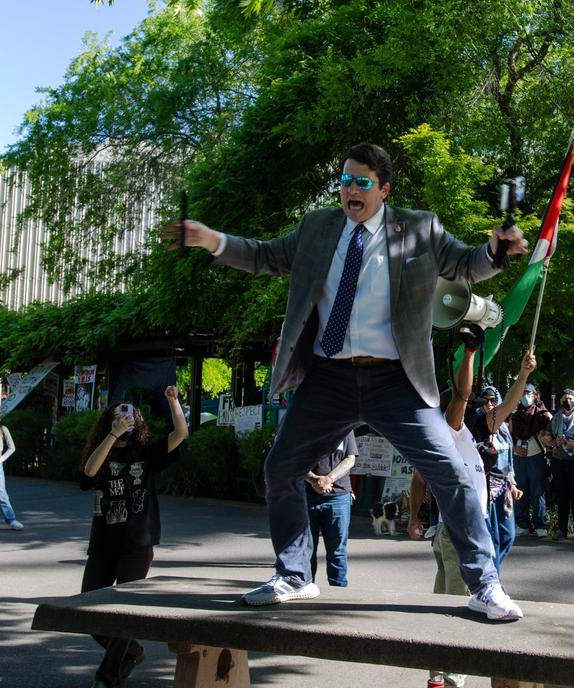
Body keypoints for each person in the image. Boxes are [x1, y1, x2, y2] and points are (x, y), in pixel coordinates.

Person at [166, 143, 528, 619]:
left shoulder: (419, 228)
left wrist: (497, 250)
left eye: (361, 182)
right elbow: (261, 256)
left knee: (452, 473)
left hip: (397, 380)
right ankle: (294, 575)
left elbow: (466, 265)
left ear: (384, 189)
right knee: (280, 468)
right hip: (328, 378)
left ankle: (484, 584)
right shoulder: (318, 228)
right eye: (344, 180)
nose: (349, 190)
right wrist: (209, 238)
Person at [406, 329, 499, 688]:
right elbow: (461, 395)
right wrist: (470, 354)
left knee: (440, 609)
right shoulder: (451, 429)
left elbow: (416, 478)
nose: (473, 404)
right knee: (462, 612)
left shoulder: (434, 439)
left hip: (447, 533)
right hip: (461, 535)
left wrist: (414, 515)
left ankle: (434, 687)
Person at [77, 387, 188, 688]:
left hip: (137, 543)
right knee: (87, 610)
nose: (125, 419)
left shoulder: (148, 453)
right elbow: (89, 473)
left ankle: (104, 679)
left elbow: (181, 433)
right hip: (103, 543)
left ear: (138, 421)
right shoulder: (102, 449)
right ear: (109, 421)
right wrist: (111, 437)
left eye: (129, 415)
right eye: (118, 415)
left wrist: (172, 401)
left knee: (124, 612)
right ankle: (132, 651)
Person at [468, 347, 536, 570]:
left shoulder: (505, 429)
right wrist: (523, 375)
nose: (489, 404)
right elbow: (509, 404)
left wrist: (513, 483)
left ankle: (492, 576)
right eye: (484, 401)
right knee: (492, 539)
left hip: (503, 487)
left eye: (492, 400)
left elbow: (509, 458)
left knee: (508, 536)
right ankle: (490, 581)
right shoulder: (479, 423)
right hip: (484, 486)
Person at [305, 431, 358, 587]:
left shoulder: (346, 427)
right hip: (307, 496)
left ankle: (338, 590)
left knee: (337, 551)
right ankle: (306, 587)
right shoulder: (304, 425)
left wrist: (329, 479)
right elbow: (294, 459)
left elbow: (350, 458)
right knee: (307, 549)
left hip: (339, 497)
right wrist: (313, 479)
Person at [543, 389, 574, 540]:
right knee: (561, 495)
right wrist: (553, 442)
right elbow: (546, 437)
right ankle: (562, 529)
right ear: (560, 402)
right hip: (559, 461)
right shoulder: (556, 418)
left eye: (571, 398)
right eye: (565, 399)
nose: (568, 401)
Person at [510, 383, 552, 537]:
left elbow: (550, 433)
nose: (525, 396)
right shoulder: (515, 415)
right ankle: (522, 524)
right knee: (520, 492)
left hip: (536, 457)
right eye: (523, 392)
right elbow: (509, 436)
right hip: (519, 458)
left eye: (529, 392)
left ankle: (540, 524)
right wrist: (515, 448)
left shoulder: (542, 414)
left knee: (537, 492)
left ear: (535, 395)